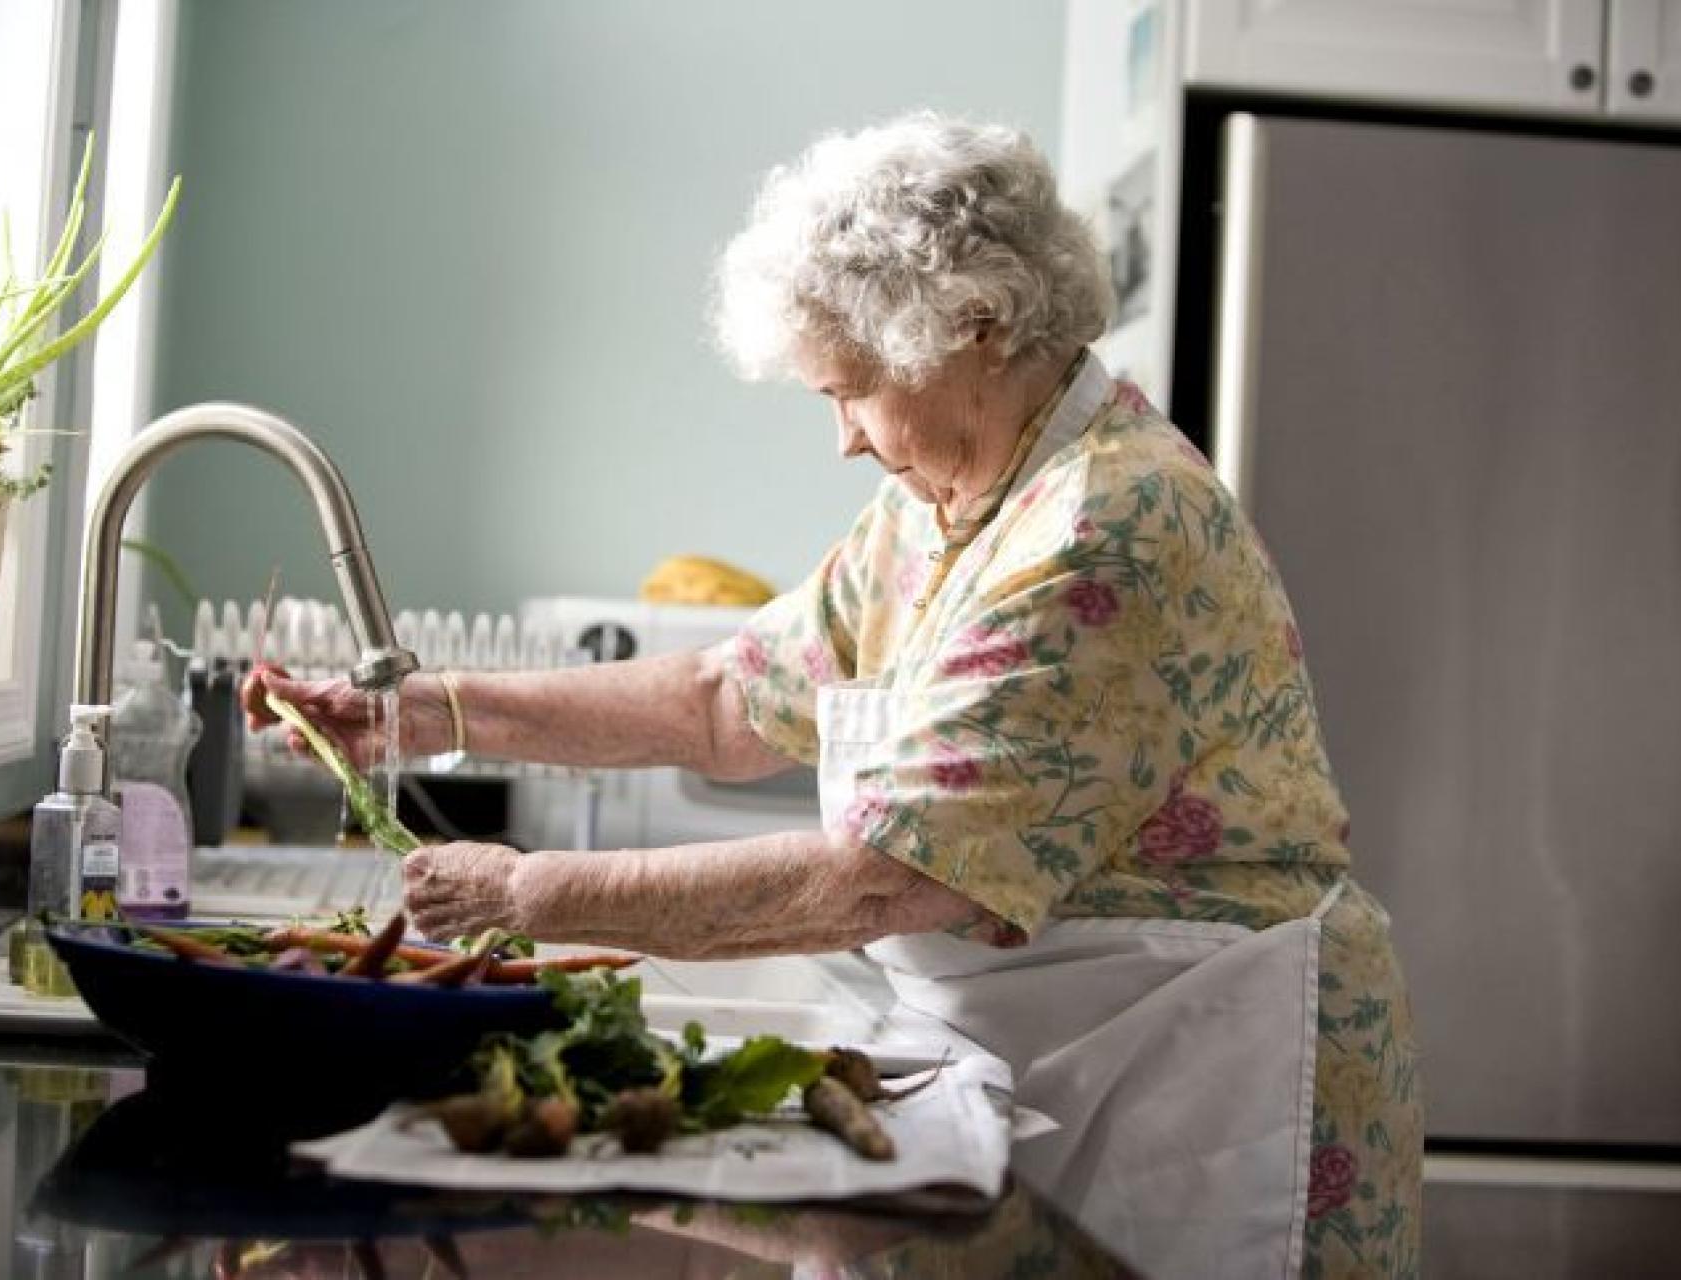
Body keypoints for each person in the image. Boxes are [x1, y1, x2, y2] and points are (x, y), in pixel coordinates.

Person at [246, 113, 1420, 1278]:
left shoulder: (1102, 529)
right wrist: (431, 709)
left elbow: (883, 873)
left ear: (974, 325)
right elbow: (722, 700)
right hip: (1053, 1051)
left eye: (848, 390)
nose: (842, 441)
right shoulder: (942, 506)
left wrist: (523, 892)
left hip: (1201, 1066)